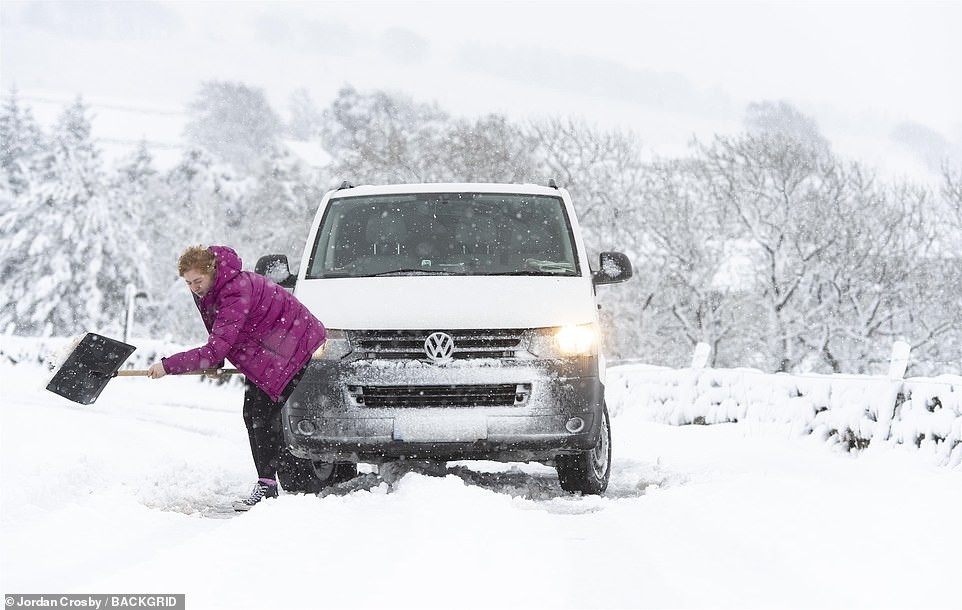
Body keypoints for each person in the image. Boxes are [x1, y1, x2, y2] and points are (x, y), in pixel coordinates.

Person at [146, 245, 326, 511]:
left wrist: (168, 365)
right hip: (268, 352)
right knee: (253, 415)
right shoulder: (211, 290)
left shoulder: (235, 289)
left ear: (212, 271)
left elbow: (217, 344)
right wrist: (216, 360)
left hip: (293, 345)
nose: (194, 287)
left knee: (263, 416)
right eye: (188, 282)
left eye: (198, 280)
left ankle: (274, 487)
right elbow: (220, 334)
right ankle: (278, 484)